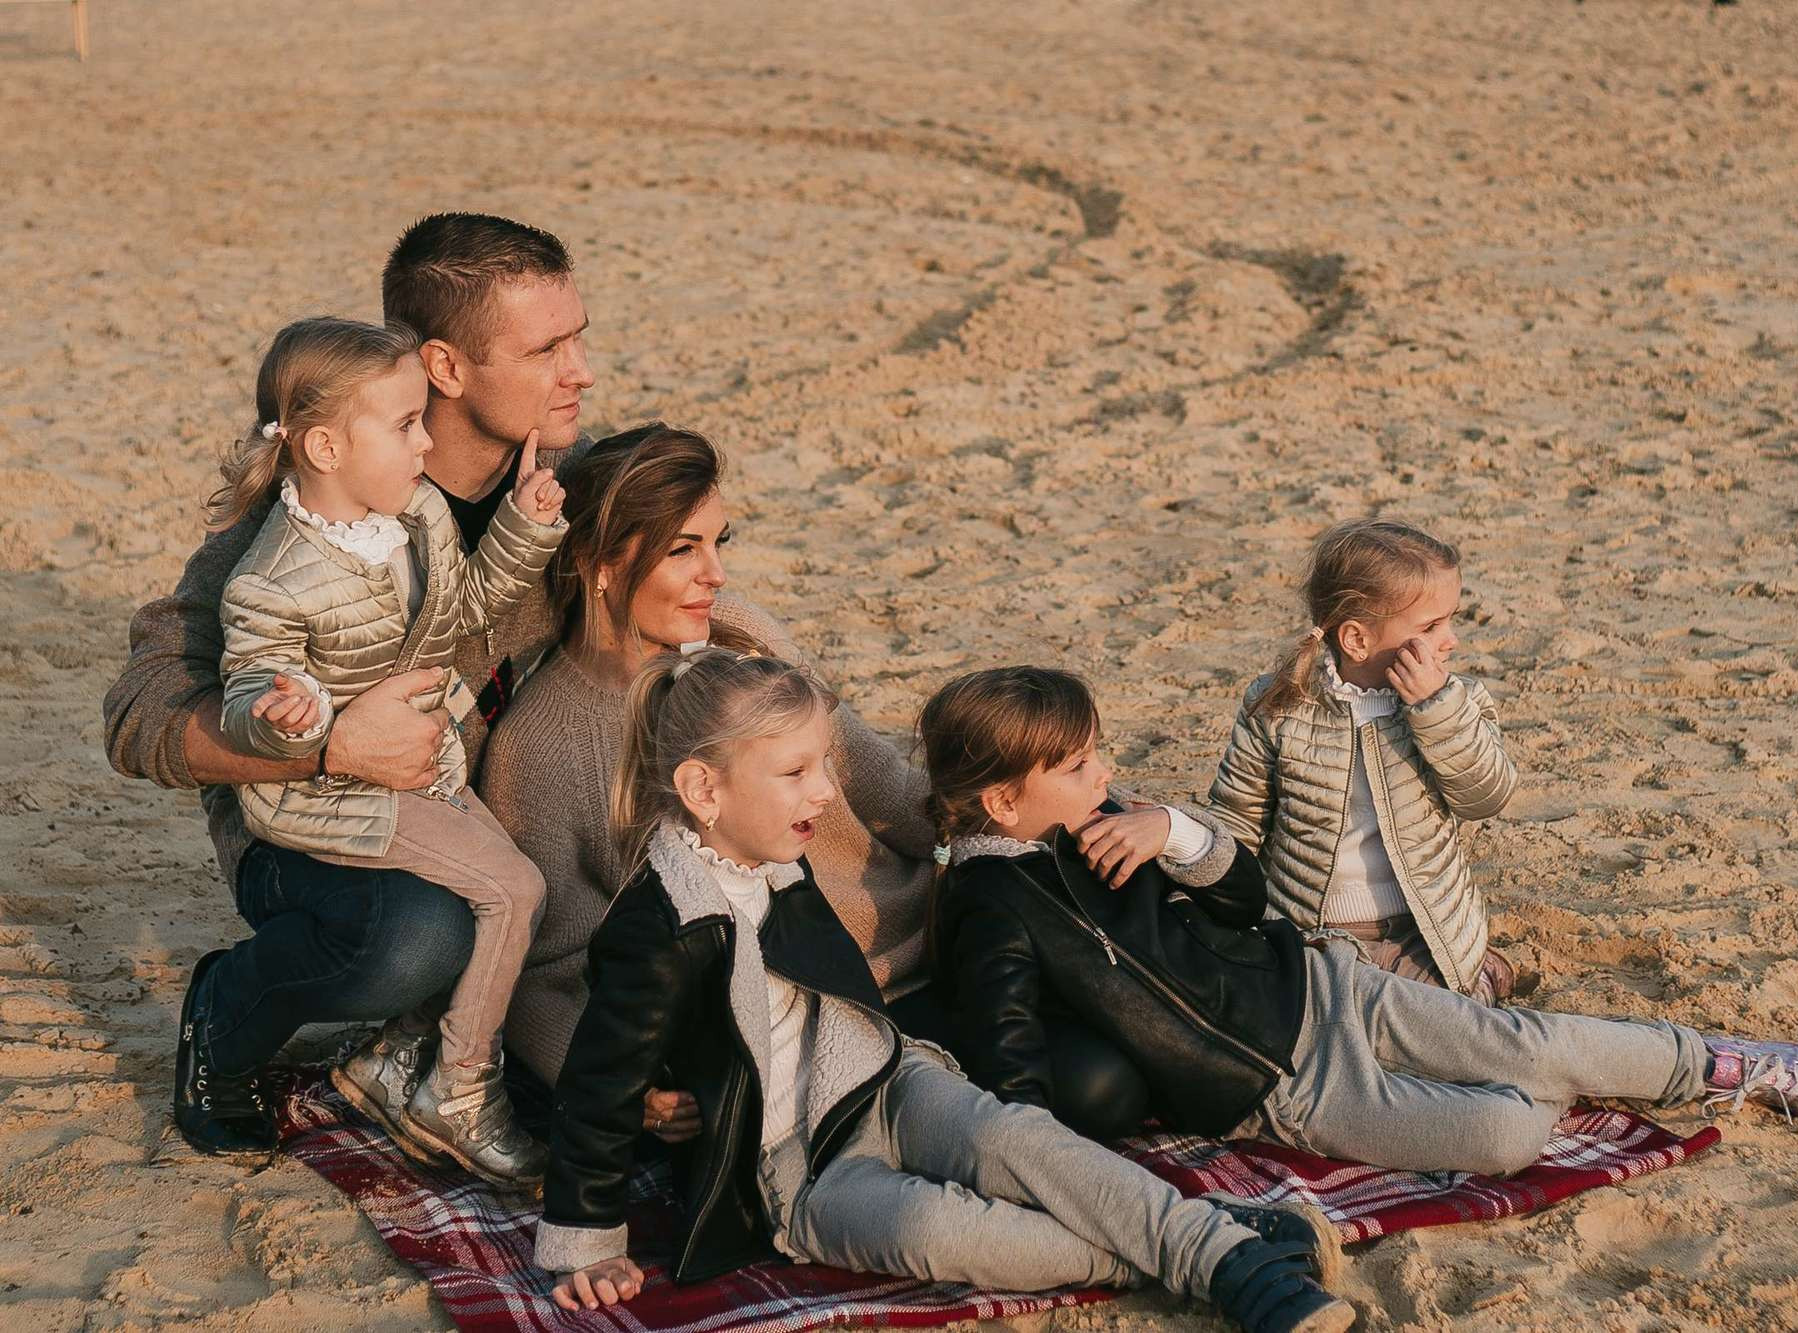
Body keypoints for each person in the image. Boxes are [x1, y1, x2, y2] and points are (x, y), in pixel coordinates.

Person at [535, 650, 1355, 1333]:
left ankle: (1227, 1263)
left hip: (881, 1079)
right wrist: (586, 1237)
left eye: (823, 764)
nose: (825, 791)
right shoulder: (659, 922)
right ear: (704, 791)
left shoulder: (779, 860)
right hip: (796, 1169)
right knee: (937, 1230)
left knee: (1019, 1143)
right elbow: (601, 1083)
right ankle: (1213, 1242)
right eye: (796, 771)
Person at [925, 666, 1798, 1179]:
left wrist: (1172, 830)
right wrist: (1040, 1160)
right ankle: (1544, 1069)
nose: (1104, 773)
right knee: (1506, 1133)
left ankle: (1721, 1064)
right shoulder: (990, 910)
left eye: (1099, 757)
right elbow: (1009, 1046)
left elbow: (1238, 899)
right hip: (1278, 1085)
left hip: (1320, 981)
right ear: (1006, 803)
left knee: (1526, 1038)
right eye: (1080, 765)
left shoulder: (1111, 821)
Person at [483, 423, 1147, 1142]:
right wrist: (620, 1082)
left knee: (1140, 1004)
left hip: (937, 937)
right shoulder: (538, 745)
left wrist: (1076, 809)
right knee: (1101, 1085)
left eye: (718, 542)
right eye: (684, 550)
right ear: (598, 563)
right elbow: (544, 972)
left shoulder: (740, 635)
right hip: (806, 1015)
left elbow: (889, 789)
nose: (717, 574)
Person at [101, 213, 593, 1158]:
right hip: (308, 823)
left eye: (578, 337)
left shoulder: (554, 480)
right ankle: (229, 1006)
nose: (581, 372)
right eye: (547, 348)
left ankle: (432, 1051)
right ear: (445, 369)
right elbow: (136, 717)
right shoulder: (289, 534)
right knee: (414, 939)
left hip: (460, 796)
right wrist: (328, 741)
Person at [207, 316, 567, 1185]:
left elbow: (466, 611)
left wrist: (522, 527)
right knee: (513, 888)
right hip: (326, 797)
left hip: (425, 770)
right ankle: (463, 1089)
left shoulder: (420, 512)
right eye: (405, 423)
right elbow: (250, 686)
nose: (426, 438)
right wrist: (286, 717)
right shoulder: (270, 578)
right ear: (326, 445)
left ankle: (398, 1057)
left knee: (515, 880)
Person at [1208, 518, 1518, 1003]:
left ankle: (1481, 969)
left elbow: (1486, 796)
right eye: (1432, 626)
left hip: (1424, 933)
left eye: (1451, 619)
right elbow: (1236, 821)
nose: (1451, 639)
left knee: (1446, 1024)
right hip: (1316, 934)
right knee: (1337, 1023)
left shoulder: (1458, 701)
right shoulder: (1276, 705)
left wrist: (1434, 712)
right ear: (1357, 640)